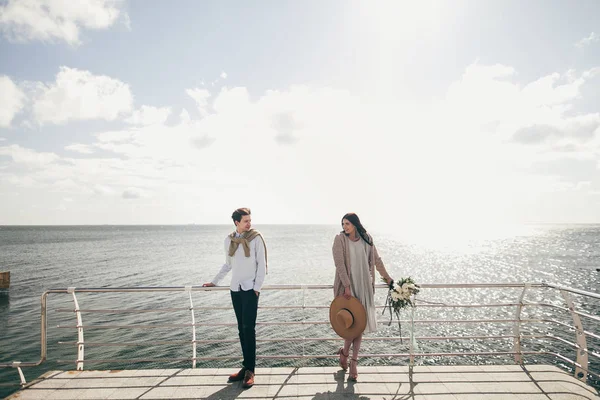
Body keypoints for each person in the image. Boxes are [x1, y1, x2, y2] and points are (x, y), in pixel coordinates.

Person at [202, 208, 267, 389]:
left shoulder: (256, 238)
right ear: (236, 223)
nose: (249, 223)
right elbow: (228, 264)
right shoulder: (229, 240)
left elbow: (262, 265)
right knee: (241, 329)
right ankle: (245, 367)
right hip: (235, 290)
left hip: (250, 290)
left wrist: (256, 288)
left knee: (249, 329)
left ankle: (250, 371)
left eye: (250, 220)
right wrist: (214, 282)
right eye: (245, 221)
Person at [332, 212, 393, 381]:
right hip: (348, 288)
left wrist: (387, 278)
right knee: (351, 325)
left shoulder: (367, 239)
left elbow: (377, 261)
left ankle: (352, 361)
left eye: (347, 224)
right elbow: (339, 264)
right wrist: (347, 286)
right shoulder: (339, 239)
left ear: (355, 224)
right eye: (343, 224)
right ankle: (345, 355)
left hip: (365, 286)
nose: (344, 227)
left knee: (359, 325)